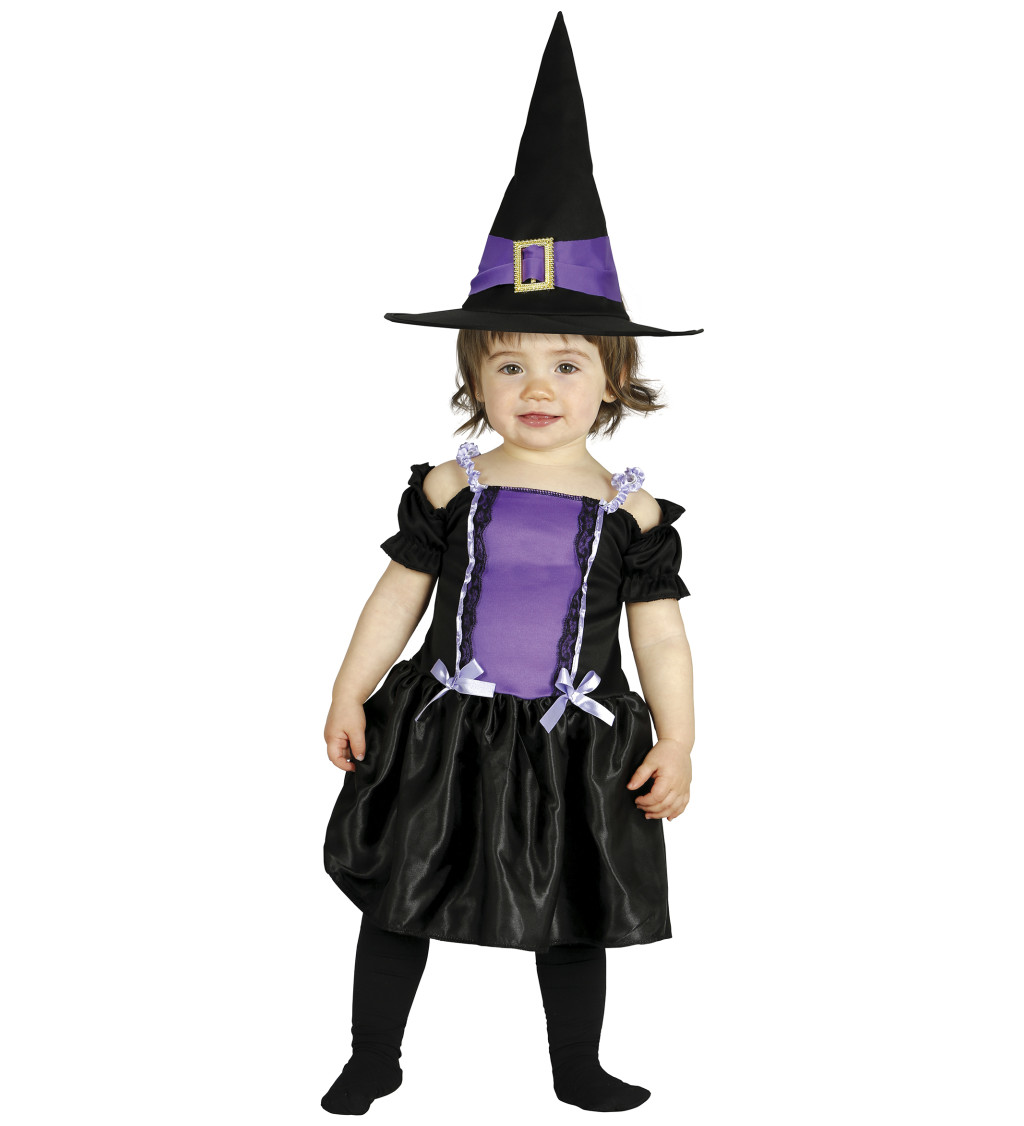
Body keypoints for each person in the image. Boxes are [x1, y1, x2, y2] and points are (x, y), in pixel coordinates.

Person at [320, 12, 702, 1116]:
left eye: (567, 364)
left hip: (576, 740)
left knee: (574, 909)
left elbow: (661, 636)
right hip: (443, 727)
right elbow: (397, 595)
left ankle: (576, 1066)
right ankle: (375, 1054)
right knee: (398, 896)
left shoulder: (633, 512)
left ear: (614, 378)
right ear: (472, 377)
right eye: (508, 365)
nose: (537, 387)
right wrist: (348, 690)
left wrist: (678, 738)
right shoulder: (453, 488)